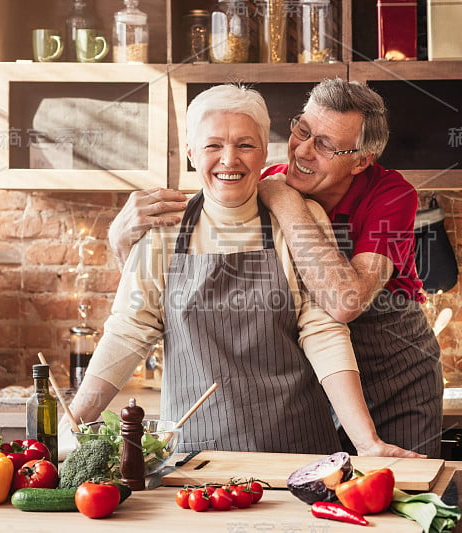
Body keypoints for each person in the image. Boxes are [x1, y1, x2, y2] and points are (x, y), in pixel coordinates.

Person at [60, 84, 415, 459]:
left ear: (264, 153)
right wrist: (73, 420)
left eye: (245, 145)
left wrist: (367, 443)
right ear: (191, 154)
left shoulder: (302, 218)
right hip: (192, 450)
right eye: (213, 145)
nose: (229, 160)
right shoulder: (163, 226)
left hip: (294, 445)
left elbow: (325, 330)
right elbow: (130, 329)